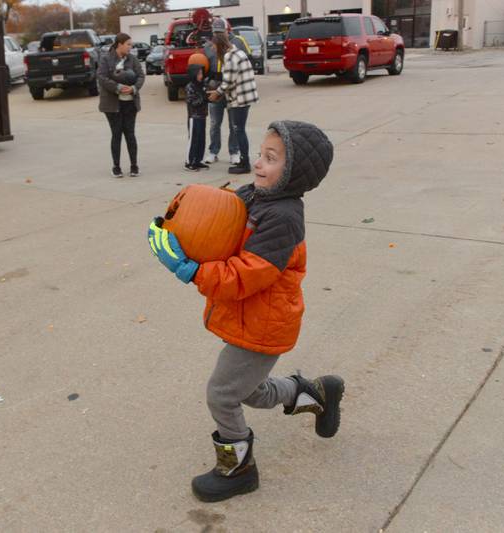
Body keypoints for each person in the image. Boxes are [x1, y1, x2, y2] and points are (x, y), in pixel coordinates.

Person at [147, 120, 342, 502]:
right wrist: (176, 228)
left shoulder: (283, 219)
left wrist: (190, 270)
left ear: (293, 172)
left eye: (271, 159)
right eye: (260, 154)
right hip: (250, 318)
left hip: (264, 326)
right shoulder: (254, 196)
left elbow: (244, 276)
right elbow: (217, 229)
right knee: (250, 392)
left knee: (222, 394)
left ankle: (238, 469)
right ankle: (315, 393)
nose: (258, 163)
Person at [202, 18, 252, 166]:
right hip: (215, 84)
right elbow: (203, 66)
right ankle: (213, 151)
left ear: (227, 30)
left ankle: (234, 152)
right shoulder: (208, 45)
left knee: (234, 124)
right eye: (215, 32)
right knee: (214, 123)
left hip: (233, 87)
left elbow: (247, 59)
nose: (218, 35)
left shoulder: (238, 42)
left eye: (220, 32)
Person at [208, 32, 258, 175]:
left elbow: (228, 82)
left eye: (213, 45)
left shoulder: (229, 57)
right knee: (240, 129)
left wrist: (216, 93)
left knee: (239, 130)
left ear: (220, 45)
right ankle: (243, 160)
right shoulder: (239, 53)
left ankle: (245, 163)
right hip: (246, 96)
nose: (212, 48)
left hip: (240, 99)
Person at [97, 33, 145, 178]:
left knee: (130, 134)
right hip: (112, 105)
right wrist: (117, 87)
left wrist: (134, 88)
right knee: (116, 134)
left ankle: (134, 166)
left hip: (130, 102)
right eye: (128, 44)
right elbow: (101, 77)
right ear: (120, 44)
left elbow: (141, 76)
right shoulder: (106, 59)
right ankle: (116, 167)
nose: (130, 47)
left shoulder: (133, 59)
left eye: (131, 44)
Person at [184, 63, 210, 171]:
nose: (201, 75)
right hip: (194, 117)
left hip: (202, 116)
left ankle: (198, 160)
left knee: (201, 139)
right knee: (193, 139)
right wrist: (203, 98)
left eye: (202, 73)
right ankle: (190, 161)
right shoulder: (190, 86)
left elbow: (206, 96)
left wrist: (208, 97)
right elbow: (191, 101)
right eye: (199, 73)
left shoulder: (202, 85)